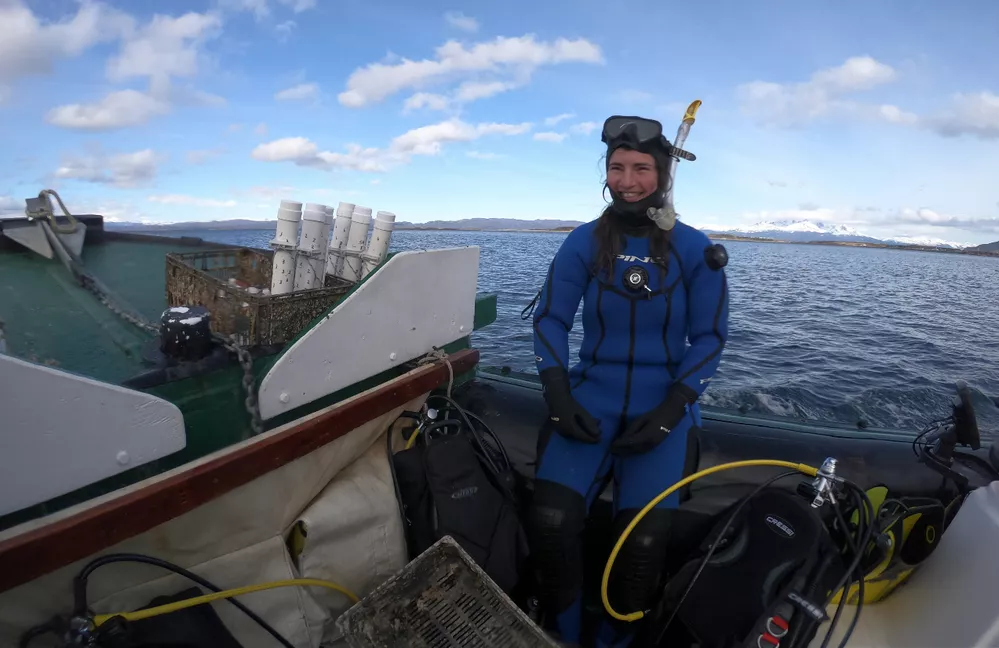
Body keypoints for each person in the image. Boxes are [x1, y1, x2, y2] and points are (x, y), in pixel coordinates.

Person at [526, 115, 730, 647]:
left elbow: (709, 338)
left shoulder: (693, 249)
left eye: (641, 168)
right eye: (617, 167)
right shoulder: (583, 243)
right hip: (590, 396)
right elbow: (549, 319)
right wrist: (556, 394)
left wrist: (672, 411)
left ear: (662, 175)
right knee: (549, 519)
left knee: (642, 545)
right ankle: (561, 637)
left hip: (662, 404)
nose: (627, 179)